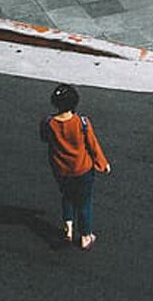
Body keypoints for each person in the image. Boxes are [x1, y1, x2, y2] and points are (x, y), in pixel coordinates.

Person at [39, 84, 111, 250]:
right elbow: (93, 146)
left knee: (67, 196)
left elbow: (44, 139)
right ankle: (86, 236)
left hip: (60, 169)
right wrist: (103, 163)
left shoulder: (48, 122)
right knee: (84, 203)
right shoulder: (82, 122)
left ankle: (68, 229)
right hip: (82, 169)